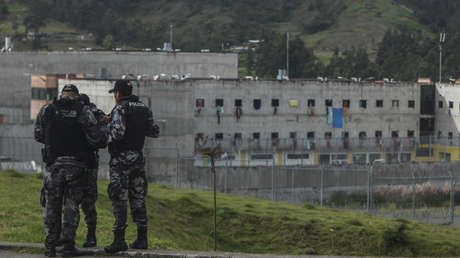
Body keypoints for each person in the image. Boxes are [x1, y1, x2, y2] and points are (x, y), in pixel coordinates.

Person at [35, 84, 103, 257]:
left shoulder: (48, 109)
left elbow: (38, 134)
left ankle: (50, 247)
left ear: (62, 95)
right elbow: (96, 138)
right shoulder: (83, 111)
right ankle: (68, 246)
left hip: (54, 165)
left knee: (52, 206)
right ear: (76, 96)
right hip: (76, 167)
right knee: (71, 206)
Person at [104, 80, 159, 254]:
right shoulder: (143, 108)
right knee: (138, 198)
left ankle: (119, 239)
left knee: (119, 198)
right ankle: (142, 238)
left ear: (118, 93)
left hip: (121, 160)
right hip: (138, 159)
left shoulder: (120, 108)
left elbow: (117, 133)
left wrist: (108, 123)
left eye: (115, 93)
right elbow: (154, 131)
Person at [79, 94, 108, 248]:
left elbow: (103, 139)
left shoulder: (96, 114)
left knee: (88, 201)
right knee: (70, 201)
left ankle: (91, 235)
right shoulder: (73, 112)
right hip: (74, 161)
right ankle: (66, 236)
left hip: (89, 161)